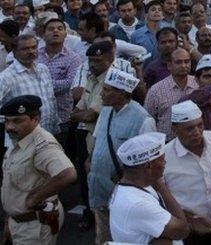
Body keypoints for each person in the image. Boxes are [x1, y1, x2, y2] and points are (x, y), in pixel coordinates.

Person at [88, 68, 156, 244]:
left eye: (107, 90)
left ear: (123, 92)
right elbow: (98, 142)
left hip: (123, 196)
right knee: (102, 237)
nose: (102, 94)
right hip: (99, 189)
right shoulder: (106, 111)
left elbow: (149, 164)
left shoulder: (143, 119)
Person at [1, 95, 77, 245]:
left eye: (17, 121)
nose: (10, 127)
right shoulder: (19, 138)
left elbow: (68, 174)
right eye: (7, 121)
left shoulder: (42, 145)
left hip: (34, 227)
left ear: (35, 119)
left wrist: (35, 197)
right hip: (17, 222)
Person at [162, 100, 211, 241]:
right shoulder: (164, 158)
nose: (197, 132)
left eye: (199, 125)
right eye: (189, 128)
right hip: (189, 232)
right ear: (174, 129)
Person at [108, 132, 190, 244]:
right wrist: (161, 187)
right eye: (162, 159)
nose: (165, 163)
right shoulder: (138, 203)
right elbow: (182, 230)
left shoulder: (133, 186)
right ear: (148, 166)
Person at [143, 47, 199, 138]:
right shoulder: (156, 90)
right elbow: (148, 119)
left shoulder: (198, 85)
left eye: (187, 61)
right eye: (179, 62)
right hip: (167, 143)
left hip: (195, 141)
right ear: (169, 65)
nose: (184, 65)